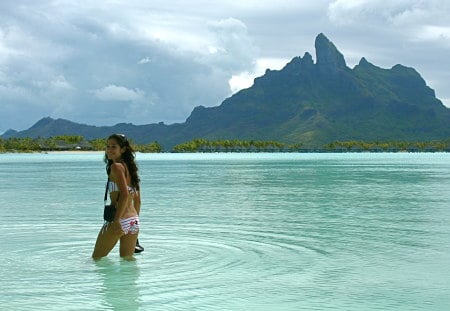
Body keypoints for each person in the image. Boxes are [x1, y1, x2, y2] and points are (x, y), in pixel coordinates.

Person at [92, 134, 143, 259]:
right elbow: (138, 201)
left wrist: (116, 221)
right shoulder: (131, 169)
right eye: (108, 146)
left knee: (96, 259)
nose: (109, 150)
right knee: (128, 262)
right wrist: (133, 221)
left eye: (113, 147)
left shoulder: (116, 167)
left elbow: (125, 194)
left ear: (123, 149)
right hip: (133, 221)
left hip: (119, 219)